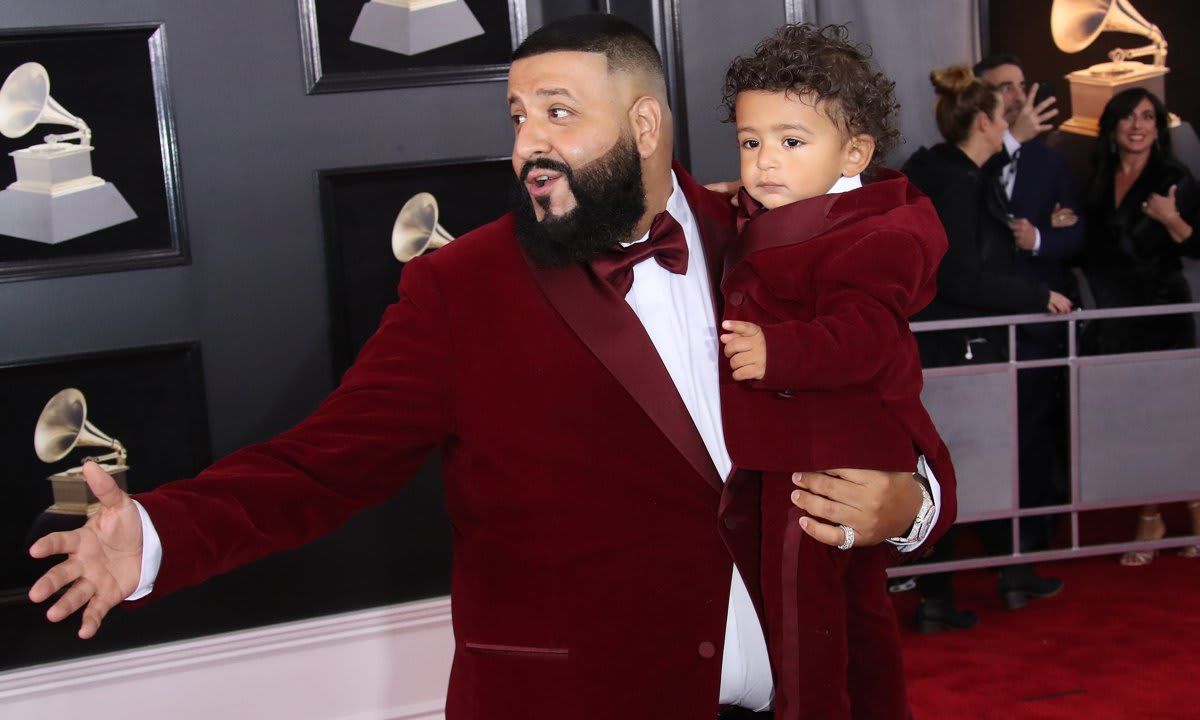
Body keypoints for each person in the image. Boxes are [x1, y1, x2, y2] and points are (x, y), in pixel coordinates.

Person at [25, 15, 948, 720]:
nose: (526, 146)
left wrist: (912, 504)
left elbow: (895, 406)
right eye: (517, 117)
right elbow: (322, 464)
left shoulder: (773, 240)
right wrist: (158, 536)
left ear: (645, 122)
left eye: (558, 115)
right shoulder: (457, 290)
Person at [714, 24, 955, 720]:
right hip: (814, 454)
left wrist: (779, 352)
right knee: (858, 616)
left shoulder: (874, 234)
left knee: (802, 626)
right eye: (751, 141)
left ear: (854, 151)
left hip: (820, 466)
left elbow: (870, 337)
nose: (765, 162)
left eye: (791, 142)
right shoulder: (800, 210)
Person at [901, 65, 1069, 633]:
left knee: (982, 461)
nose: (1010, 126)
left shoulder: (949, 172)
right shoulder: (957, 183)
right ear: (982, 122)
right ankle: (938, 597)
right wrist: (1035, 292)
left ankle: (1008, 573)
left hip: (959, 347)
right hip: (957, 348)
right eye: (1003, 118)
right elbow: (960, 279)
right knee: (956, 468)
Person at [974, 53, 1084, 584]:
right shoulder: (969, 160)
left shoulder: (1049, 161)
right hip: (984, 325)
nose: (1018, 96)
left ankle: (1034, 534)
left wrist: (1040, 237)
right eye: (1004, 89)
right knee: (989, 432)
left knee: (1037, 428)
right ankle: (992, 534)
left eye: (1021, 85)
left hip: (1039, 322)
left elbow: (1075, 232)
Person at [1079, 87, 1200, 565]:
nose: (1137, 125)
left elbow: (1195, 245)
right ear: (1112, 126)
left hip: (1163, 314)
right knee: (1133, 420)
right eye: (1128, 116)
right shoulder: (1099, 177)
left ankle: (1193, 508)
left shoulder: (1174, 177)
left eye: (1148, 116)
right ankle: (1150, 514)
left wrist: (1172, 220)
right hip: (1116, 318)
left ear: (1158, 126)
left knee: (1176, 418)